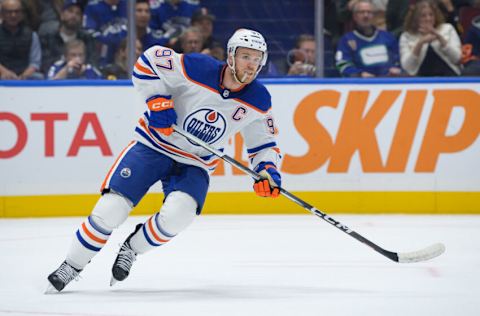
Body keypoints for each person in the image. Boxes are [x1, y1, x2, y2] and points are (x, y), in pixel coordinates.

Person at [46, 28, 282, 292]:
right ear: (230, 56)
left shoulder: (259, 99)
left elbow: (264, 143)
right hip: (154, 145)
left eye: (256, 58)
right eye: (245, 56)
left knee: (178, 215)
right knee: (111, 209)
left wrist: (268, 172)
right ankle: (72, 265)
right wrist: (158, 101)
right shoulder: (197, 67)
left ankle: (131, 249)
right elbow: (148, 61)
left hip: (196, 162)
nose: (251, 65)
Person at [335, 0, 402, 77]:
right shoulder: (346, 40)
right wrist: (359, 74)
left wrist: (396, 69)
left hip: (388, 84)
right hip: (360, 86)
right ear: (354, 16)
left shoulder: (388, 37)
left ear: (374, 16)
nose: (366, 15)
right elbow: (341, 64)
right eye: (361, 12)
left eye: (369, 12)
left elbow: (397, 60)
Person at [399, 0, 462, 76]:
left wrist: (439, 37)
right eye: (423, 16)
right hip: (422, 81)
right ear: (415, 18)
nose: (428, 19)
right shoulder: (406, 36)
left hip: (449, 77)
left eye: (431, 15)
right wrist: (420, 43)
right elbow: (407, 67)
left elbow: (457, 58)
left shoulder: (448, 29)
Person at [40, 0, 96, 76]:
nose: (73, 16)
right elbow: (46, 65)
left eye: (78, 13)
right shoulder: (48, 38)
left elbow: (92, 62)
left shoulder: (87, 38)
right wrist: (66, 69)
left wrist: (83, 69)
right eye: (70, 11)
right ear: (62, 15)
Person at [0, 0, 43, 80]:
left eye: (17, 11)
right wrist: (4, 72)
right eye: (9, 12)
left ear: (22, 14)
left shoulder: (32, 35)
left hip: (25, 75)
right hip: (2, 75)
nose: (13, 15)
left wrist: (24, 76)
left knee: (39, 77)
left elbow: (35, 62)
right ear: (2, 14)